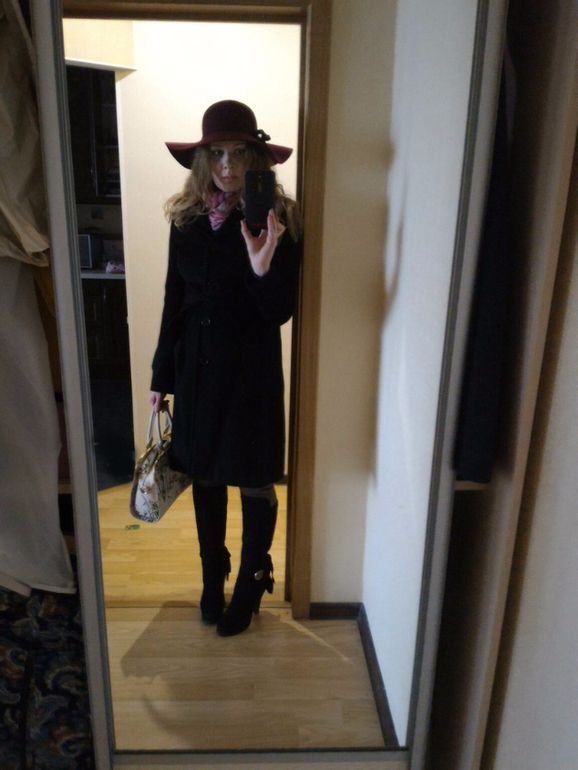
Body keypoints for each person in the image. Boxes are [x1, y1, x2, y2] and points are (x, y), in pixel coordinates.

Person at [149, 100, 301, 637]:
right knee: (205, 474)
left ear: (255, 158)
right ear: (204, 159)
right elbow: (174, 298)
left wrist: (262, 267)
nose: (228, 165)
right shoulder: (186, 219)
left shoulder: (280, 218)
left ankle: (252, 582)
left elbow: (279, 312)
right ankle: (213, 574)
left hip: (250, 373)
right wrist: (161, 377)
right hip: (195, 367)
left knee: (253, 477)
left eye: (239, 153)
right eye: (217, 153)